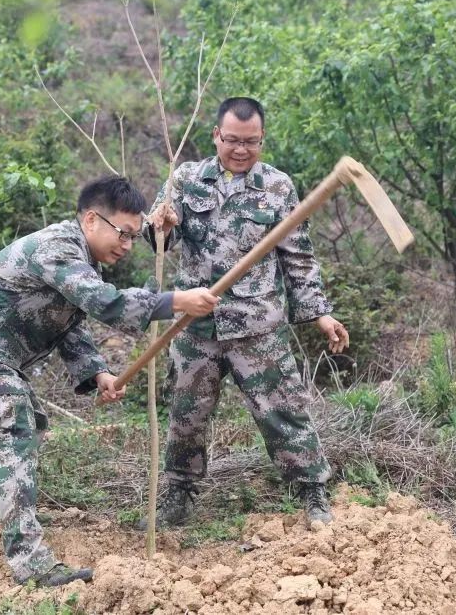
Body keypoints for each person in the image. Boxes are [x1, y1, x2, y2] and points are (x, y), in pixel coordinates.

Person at [0, 176, 218, 587]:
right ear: (90, 219)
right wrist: (175, 301)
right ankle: (30, 564)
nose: (126, 244)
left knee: (33, 422)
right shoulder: (58, 247)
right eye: (123, 233)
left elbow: (70, 324)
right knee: (13, 427)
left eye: (135, 237)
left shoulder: (82, 260)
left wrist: (98, 372)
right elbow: (103, 302)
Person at [143, 97, 350, 529]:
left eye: (251, 142)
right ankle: (179, 494)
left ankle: (312, 491)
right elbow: (160, 239)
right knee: (186, 416)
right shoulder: (184, 180)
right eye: (232, 140)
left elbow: (298, 257)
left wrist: (319, 314)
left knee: (284, 411)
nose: (240, 150)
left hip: (258, 326)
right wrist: (159, 226)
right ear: (216, 135)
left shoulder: (278, 187)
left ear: (262, 140)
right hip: (195, 325)